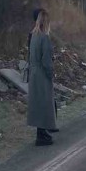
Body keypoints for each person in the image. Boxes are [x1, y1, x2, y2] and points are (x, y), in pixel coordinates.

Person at [27, 10, 57, 146]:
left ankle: (41, 131)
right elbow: (46, 61)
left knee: (37, 103)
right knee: (45, 103)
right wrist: (51, 74)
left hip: (33, 72)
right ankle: (42, 133)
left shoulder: (33, 35)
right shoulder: (44, 37)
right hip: (41, 73)